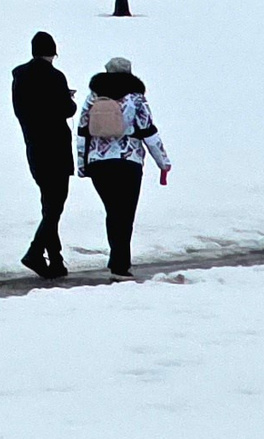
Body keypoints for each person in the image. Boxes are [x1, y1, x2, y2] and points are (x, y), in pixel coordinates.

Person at [78, 54, 171, 275]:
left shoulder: (93, 97)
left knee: (112, 211)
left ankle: (117, 258)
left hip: (99, 163)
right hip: (128, 162)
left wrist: (82, 164)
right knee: (125, 213)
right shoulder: (136, 99)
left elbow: (82, 131)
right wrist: (163, 162)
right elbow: (148, 131)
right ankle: (120, 263)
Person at [10, 31, 75, 277]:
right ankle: (36, 252)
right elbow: (66, 110)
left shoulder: (19, 77)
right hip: (56, 147)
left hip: (34, 147)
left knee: (49, 204)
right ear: (52, 52)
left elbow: (21, 111)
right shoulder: (55, 77)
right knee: (55, 205)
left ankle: (55, 261)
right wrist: (69, 99)